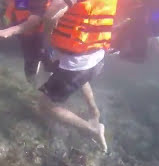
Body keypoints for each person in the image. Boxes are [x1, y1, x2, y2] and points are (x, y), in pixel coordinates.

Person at [40, 0, 118, 152]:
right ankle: (94, 112)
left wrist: (47, 43)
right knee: (82, 80)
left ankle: (92, 129)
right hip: (95, 57)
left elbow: (51, 14)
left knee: (45, 105)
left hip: (77, 63)